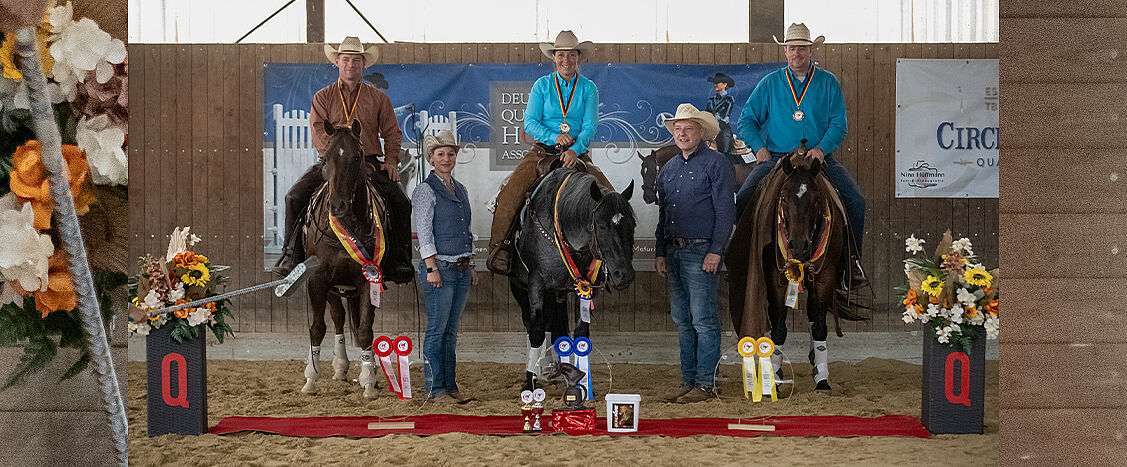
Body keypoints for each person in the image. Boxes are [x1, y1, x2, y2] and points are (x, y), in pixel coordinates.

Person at [734, 23, 868, 286]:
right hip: (777, 158)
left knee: (856, 200)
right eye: (792, 48)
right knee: (745, 197)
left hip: (818, 160)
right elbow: (746, 120)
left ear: (811, 50)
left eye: (802, 48)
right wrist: (758, 147)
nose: (797, 53)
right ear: (785, 51)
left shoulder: (828, 82)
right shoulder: (770, 84)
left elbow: (839, 125)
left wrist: (821, 149)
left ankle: (852, 264)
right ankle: (745, 260)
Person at [273, 36, 413, 284]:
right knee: (293, 197)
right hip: (332, 162)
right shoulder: (323, 97)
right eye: (346, 59)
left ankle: (399, 260)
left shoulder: (378, 98)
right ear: (337, 62)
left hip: (367, 162)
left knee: (401, 201)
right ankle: (290, 255)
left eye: (356, 60)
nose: (350, 64)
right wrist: (335, 157)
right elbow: (317, 130)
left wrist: (390, 161)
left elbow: (392, 132)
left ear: (363, 65)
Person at [486, 30, 614, 275]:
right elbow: (530, 122)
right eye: (561, 55)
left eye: (571, 55)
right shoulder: (542, 85)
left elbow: (590, 125)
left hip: (577, 153)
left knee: (611, 198)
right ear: (554, 57)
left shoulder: (588, 88)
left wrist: (575, 150)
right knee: (510, 194)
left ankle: (608, 258)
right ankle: (499, 249)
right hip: (543, 152)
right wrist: (554, 137)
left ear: (579, 57)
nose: (566, 60)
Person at [655, 104, 736, 403]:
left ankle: (706, 383)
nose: (682, 133)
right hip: (674, 252)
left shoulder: (716, 164)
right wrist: (660, 251)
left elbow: (726, 211)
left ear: (701, 132)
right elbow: (663, 215)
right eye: (678, 129)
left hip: (701, 250)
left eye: (688, 128)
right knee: (682, 319)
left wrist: (716, 250)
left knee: (702, 319)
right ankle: (689, 380)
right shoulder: (669, 169)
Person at [412, 130, 477, 404]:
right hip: (440, 268)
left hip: (461, 268)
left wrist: (471, 263)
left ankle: (450, 386)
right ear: (431, 158)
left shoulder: (459, 188)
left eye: (450, 154)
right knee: (437, 331)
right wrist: (431, 267)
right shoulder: (425, 190)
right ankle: (435, 389)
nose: (446, 158)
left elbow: (465, 229)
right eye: (441, 154)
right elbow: (424, 231)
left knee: (451, 332)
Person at [705, 72, 736, 154]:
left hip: (723, 129)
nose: (715, 85)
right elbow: (707, 113)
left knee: (725, 152)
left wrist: (716, 118)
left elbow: (726, 116)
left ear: (725, 84)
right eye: (714, 83)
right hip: (711, 129)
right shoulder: (711, 100)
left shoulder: (729, 99)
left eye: (717, 82)